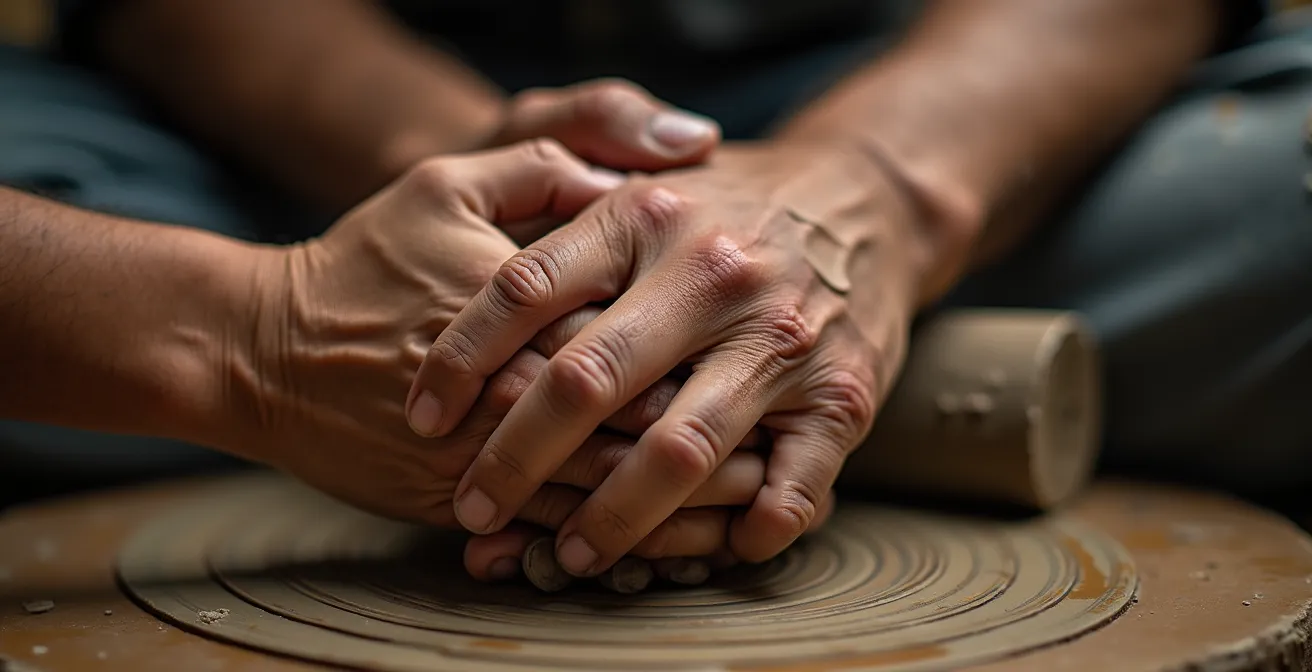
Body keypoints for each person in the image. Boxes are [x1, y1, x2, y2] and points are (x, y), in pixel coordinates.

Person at [2, 0, 1309, 582]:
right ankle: (707, 381)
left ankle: (671, 360)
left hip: (950, 114)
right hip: (275, 161)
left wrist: (880, 193)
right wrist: (263, 327)